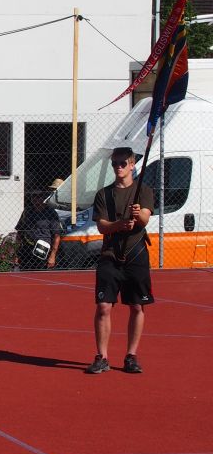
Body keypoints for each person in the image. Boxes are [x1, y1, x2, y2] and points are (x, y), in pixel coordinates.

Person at [86, 146, 154, 375]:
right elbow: (101, 226)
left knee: (137, 305)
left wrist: (138, 214)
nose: (118, 167)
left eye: (123, 163)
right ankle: (102, 357)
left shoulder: (143, 190)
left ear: (132, 165)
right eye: (115, 163)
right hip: (110, 255)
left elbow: (145, 219)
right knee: (103, 306)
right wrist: (119, 225)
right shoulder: (104, 194)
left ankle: (131, 355)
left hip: (136, 253)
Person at [14, 191, 62, 271]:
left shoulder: (51, 213)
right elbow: (20, 231)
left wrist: (52, 256)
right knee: (25, 272)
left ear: (43, 198)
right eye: (34, 196)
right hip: (27, 247)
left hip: (43, 248)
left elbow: (57, 235)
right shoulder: (27, 211)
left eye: (39, 196)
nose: (36, 199)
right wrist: (16, 253)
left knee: (41, 273)